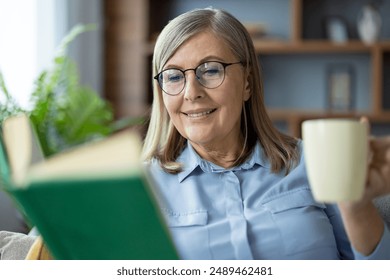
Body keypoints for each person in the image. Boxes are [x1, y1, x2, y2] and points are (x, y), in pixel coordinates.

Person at [142, 8, 390, 259]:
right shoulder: (141, 188)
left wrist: (356, 206)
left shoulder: (314, 162)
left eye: (211, 70)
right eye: (173, 76)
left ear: (247, 83)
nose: (191, 92)